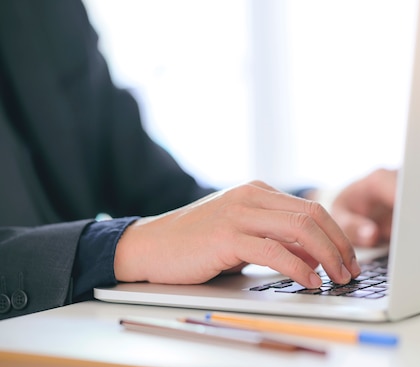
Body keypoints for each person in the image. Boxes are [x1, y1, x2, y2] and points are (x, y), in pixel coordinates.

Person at [0, 0, 396, 325]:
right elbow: (158, 235)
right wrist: (126, 246)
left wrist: (317, 208)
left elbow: (168, 199)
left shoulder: (45, 10)